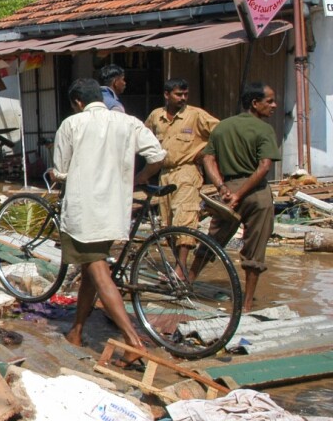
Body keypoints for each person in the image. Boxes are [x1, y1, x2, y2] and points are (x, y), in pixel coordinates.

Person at [52, 78, 165, 362]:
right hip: (114, 209)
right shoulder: (128, 122)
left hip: (84, 210)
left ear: (78, 102)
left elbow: (62, 171)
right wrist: (139, 179)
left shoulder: (72, 124)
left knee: (98, 271)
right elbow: (157, 156)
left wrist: (57, 175)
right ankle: (77, 331)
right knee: (92, 269)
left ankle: (133, 341)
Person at [201, 82, 281, 314]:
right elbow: (264, 167)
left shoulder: (222, 127)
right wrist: (240, 194)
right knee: (255, 252)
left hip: (228, 190)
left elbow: (207, 159)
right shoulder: (264, 129)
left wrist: (222, 187)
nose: (274, 105)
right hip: (256, 193)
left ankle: (185, 283)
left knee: (211, 241)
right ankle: (246, 305)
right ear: (255, 104)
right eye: (270, 101)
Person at [144, 78, 220, 276]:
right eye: (179, 94)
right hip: (164, 173)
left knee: (184, 217)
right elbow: (143, 137)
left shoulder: (195, 115)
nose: (183, 98)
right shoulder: (156, 116)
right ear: (167, 95)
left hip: (187, 171)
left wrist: (205, 152)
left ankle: (181, 268)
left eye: (186, 94)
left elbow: (220, 132)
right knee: (167, 223)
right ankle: (178, 265)